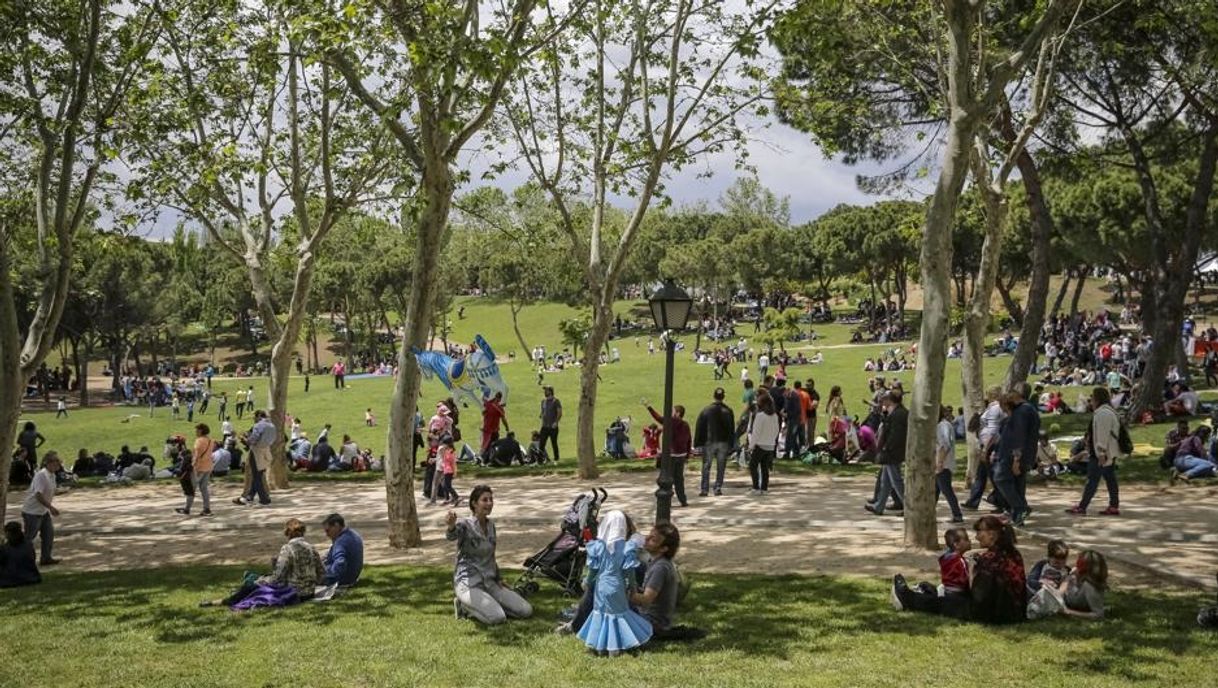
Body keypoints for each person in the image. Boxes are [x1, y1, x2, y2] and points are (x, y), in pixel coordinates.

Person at [447, 485, 533, 625]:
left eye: (491, 499)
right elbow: (452, 535)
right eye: (484, 500)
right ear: (474, 504)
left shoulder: (491, 526)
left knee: (526, 610)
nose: (489, 503)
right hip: (469, 584)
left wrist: (498, 578)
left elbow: (491, 556)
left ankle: (489, 604)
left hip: (490, 583)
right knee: (497, 617)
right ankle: (463, 606)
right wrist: (451, 526)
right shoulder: (465, 524)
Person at [201, 518, 326, 609]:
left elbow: (277, 578)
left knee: (251, 585)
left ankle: (224, 601)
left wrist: (260, 580)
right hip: (309, 593)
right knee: (258, 579)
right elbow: (321, 573)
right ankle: (234, 594)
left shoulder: (288, 548)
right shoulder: (311, 548)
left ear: (288, 533)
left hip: (293, 593)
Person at [576, 510, 653, 654]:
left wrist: (587, 581)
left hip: (601, 586)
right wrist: (633, 587)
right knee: (618, 615)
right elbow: (629, 571)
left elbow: (593, 571)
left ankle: (600, 646)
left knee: (601, 614)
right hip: (617, 585)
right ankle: (616, 647)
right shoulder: (627, 547)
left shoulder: (597, 547)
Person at [890, 527, 972, 619]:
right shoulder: (958, 560)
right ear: (956, 545)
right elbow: (965, 579)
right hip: (957, 594)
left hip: (949, 591)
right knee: (939, 604)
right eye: (966, 539)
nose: (970, 541)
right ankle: (906, 597)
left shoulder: (949, 558)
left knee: (938, 600)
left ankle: (920, 592)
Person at [1067, 387, 1122, 516]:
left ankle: (1082, 506)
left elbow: (1102, 434)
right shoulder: (1108, 411)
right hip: (1108, 452)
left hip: (1101, 453)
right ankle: (1113, 505)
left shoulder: (1103, 414)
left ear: (1097, 399)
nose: (1090, 401)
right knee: (1110, 479)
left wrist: (1101, 452)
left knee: (1092, 480)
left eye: (1092, 398)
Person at [994, 385, 1039, 526]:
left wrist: (1016, 460)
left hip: (1013, 456)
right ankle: (1018, 516)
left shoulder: (1022, 412)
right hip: (1014, 455)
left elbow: (1019, 437)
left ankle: (1021, 508)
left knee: (1001, 478)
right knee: (1018, 485)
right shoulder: (1023, 411)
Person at [968, 515, 1026, 624]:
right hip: (1018, 612)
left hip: (996, 615)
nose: (976, 537)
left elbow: (978, 594)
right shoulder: (1014, 554)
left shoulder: (989, 558)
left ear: (991, 534)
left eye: (979, 532)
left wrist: (971, 570)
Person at [866, 391, 908, 516]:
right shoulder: (895, 412)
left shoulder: (899, 414)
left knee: (896, 481)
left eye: (884, 398)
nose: (882, 401)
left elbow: (896, 435)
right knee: (886, 481)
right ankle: (879, 506)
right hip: (891, 451)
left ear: (890, 400)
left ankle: (909, 507)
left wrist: (886, 448)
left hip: (893, 452)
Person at [646, 401, 691, 507]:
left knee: (668, 478)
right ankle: (683, 500)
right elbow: (689, 440)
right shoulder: (685, 425)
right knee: (679, 479)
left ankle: (666, 500)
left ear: (678, 413)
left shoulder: (671, 422)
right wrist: (687, 454)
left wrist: (649, 407)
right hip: (681, 455)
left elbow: (658, 418)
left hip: (672, 454)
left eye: (673, 411)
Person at [21, 452, 62, 566]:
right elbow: (38, 495)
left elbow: (49, 490)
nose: (58, 465)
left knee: (48, 534)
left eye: (58, 463)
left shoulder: (52, 475)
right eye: (55, 463)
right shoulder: (41, 475)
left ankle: (46, 558)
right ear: (48, 463)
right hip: (32, 512)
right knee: (29, 537)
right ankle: (22, 560)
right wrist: (51, 507)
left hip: (43, 511)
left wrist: (59, 492)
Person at [693, 387, 735, 497]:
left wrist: (697, 442)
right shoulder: (728, 411)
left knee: (706, 466)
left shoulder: (706, 410)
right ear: (723, 397)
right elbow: (731, 428)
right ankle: (717, 488)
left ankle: (704, 489)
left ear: (714, 396)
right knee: (721, 466)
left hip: (709, 441)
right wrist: (731, 443)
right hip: (723, 442)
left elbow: (700, 426)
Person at [236, 410, 274, 506]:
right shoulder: (271, 425)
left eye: (255, 417)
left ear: (259, 416)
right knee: (258, 474)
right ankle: (249, 496)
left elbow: (253, 440)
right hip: (266, 451)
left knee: (256, 476)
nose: (254, 419)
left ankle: (264, 499)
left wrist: (244, 439)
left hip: (256, 451)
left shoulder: (258, 425)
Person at [746, 392, 781, 495]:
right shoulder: (774, 416)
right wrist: (772, 440)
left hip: (760, 445)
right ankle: (764, 488)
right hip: (770, 445)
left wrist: (751, 446)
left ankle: (756, 487)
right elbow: (777, 430)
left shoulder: (760, 416)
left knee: (753, 465)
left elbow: (756, 432)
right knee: (764, 467)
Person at [935, 404, 964, 523]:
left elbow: (944, 445)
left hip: (943, 464)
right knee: (935, 489)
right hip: (940, 463)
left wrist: (940, 462)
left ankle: (957, 514)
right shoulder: (941, 425)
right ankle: (929, 512)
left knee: (946, 490)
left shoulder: (942, 426)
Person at [177, 423, 215, 516]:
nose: (196, 432)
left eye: (197, 430)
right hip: (208, 466)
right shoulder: (211, 441)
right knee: (204, 489)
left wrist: (192, 465)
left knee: (191, 488)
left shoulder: (199, 441)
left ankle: (187, 509)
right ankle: (207, 508)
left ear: (201, 431)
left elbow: (196, 455)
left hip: (199, 467)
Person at [322, 513, 364, 587]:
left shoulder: (340, 542)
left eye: (328, 531)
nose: (327, 535)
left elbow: (340, 564)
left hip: (343, 579)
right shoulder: (354, 534)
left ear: (336, 526)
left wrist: (325, 578)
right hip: (353, 576)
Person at [0, 521, 41, 588]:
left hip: (11, 580)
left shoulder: (5, 549)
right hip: (31, 577)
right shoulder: (29, 545)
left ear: (8, 533)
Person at [539, 386, 562, 463]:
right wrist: (541, 415)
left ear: (550, 391)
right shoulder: (543, 401)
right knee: (541, 443)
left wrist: (556, 422)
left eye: (546, 390)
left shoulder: (556, 401)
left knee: (554, 443)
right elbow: (543, 411)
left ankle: (556, 458)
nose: (545, 392)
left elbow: (559, 412)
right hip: (544, 426)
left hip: (553, 426)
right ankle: (540, 460)